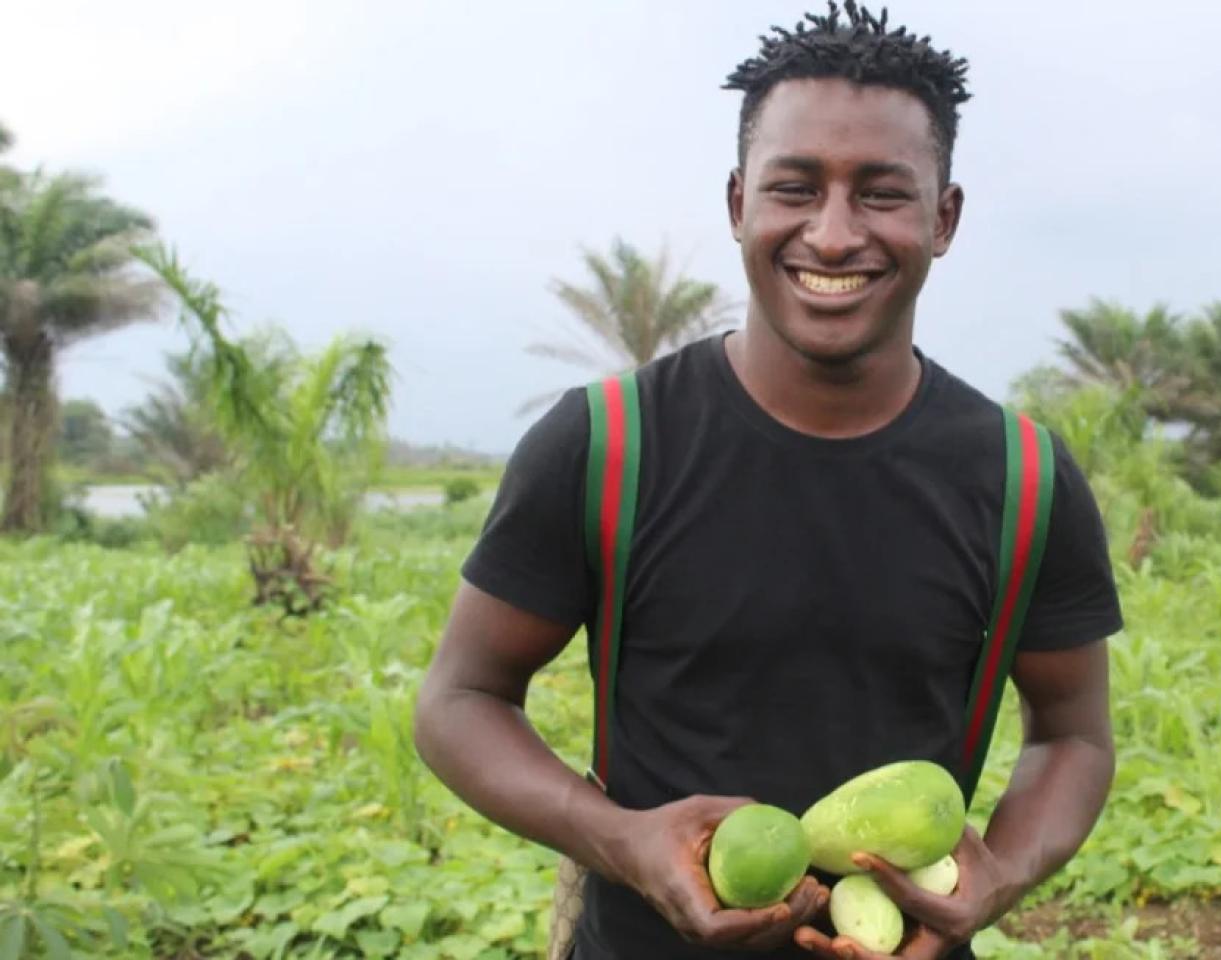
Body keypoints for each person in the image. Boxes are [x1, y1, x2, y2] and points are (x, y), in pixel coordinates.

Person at [413, 3, 1123, 957]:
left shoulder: (1022, 477)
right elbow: (460, 701)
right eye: (795, 188)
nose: (831, 235)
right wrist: (621, 840)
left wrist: (1001, 872)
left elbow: (1073, 736)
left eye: (881, 193)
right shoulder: (607, 445)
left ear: (943, 218)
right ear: (738, 203)